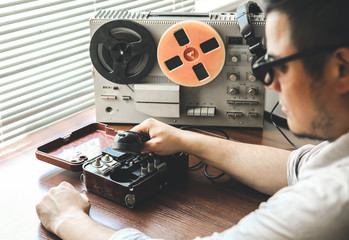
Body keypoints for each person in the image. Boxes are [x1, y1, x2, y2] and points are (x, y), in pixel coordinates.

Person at [36, 0, 349, 239]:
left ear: (341, 69)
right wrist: (186, 140)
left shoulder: (330, 200)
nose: (270, 84)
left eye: (277, 65)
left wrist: (70, 221)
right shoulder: (337, 157)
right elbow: (298, 166)